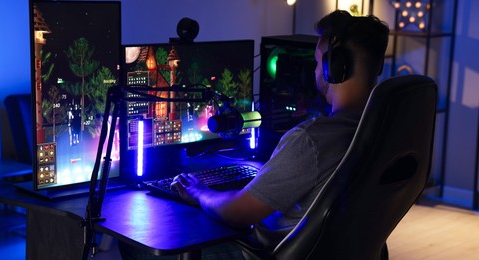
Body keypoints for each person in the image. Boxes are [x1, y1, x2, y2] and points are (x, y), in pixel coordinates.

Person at [119, 10, 389, 259]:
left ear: (335, 67)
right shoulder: (382, 130)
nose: (316, 70)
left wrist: (200, 192)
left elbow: (237, 212)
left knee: (138, 246)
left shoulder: (312, 140)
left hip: (262, 253)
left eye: (318, 61)